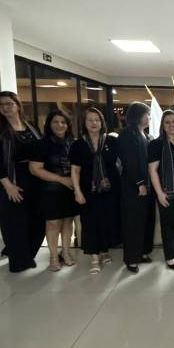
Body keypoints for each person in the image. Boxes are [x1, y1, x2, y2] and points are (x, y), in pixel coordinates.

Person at [0, 91, 44, 272]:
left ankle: (29, 254)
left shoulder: (31, 126)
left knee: (37, 219)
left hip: (34, 178)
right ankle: (19, 261)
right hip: (11, 180)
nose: (5, 107)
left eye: (9, 103)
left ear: (18, 105)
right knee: (15, 222)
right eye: (1, 104)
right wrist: (8, 185)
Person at [70, 107, 121, 273]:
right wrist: (77, 191)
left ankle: (104, 250)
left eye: (97, 120)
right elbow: (75, 170)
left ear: (102, 123)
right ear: (84, 123)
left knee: (106, 220)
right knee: (90, 223)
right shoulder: (78, 145)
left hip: (110, 189)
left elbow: (120, 164)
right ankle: (94, 257)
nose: (94, 123)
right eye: (90, 120)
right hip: (87, 190)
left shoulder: (111, 141)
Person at [30, 110, 78, 272]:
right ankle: (53, 257)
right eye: (56, 122)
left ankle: (65, 251)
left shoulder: (73, 143)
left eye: (63, 122)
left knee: (68, 221)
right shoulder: (41, 144)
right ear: (49, 124)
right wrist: (61, 179)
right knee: (53, 223)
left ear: (68, 125)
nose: (60, 125)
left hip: (70, 189)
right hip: (50, 190)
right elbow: (35, 169)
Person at [117, 101, 155, 274]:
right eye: (147, 114)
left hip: (147, 185)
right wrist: (140, 183)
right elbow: (129, 161)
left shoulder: (144, 134)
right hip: (134, 187)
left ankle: (142, 252)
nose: (149, 117)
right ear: (138, 115)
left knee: (146, 220)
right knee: (133, 223)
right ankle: (131, 259)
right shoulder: (127, 134)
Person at [149, 109, 174, 270]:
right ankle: (170, 255)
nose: (171, 125)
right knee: (168, 223)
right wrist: (159, 193)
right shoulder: (156, 144)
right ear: (162, 126)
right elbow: (152, 170)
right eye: (167, 122)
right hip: (166, 190)